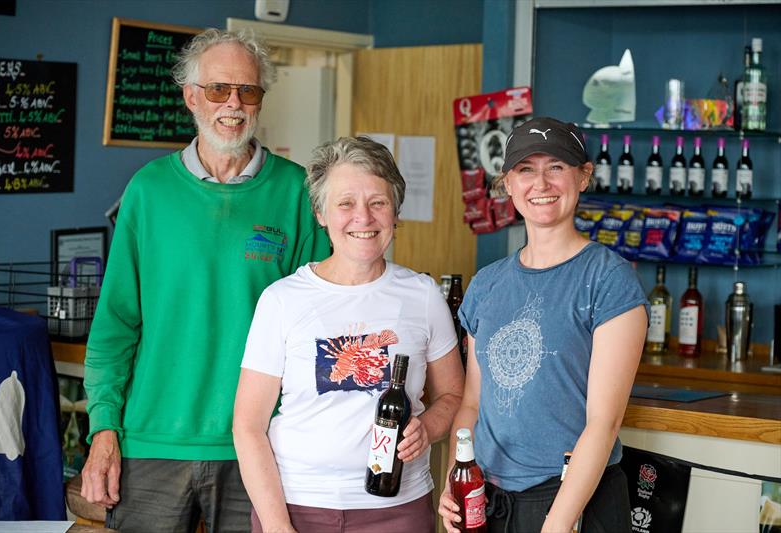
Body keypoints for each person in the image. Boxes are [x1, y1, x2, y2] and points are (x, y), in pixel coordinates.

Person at [80, 29, 330, 533]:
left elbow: (321, 325)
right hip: (152, 442)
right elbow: (116, 324)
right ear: (191, 96)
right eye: (218, 89)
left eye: (248, 91)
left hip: (260, 444)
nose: (233, 104)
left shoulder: (297, 191)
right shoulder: (148, 191)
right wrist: (103, 427)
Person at [233, 136, 465, 533]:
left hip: (399, 511)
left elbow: (454, 396)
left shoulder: (423, 295)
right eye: (346, 204)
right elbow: (248, 425)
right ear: (321, 214)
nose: (364, 218)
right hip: (297, 507)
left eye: (378, 202)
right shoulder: (283, 300)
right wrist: (277, 527)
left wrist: (428, 427)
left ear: (395, 213)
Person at [439, 117, 648, 533]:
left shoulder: (608, 280)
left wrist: (556, 523)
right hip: (489, 502)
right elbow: (471, 405)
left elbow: (603, 423)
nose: (541, 183)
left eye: (556, 166)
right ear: (508, 184)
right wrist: (455, 482)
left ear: (583, 176)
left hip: (574, 502)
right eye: (526, 170)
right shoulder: (488, 283)